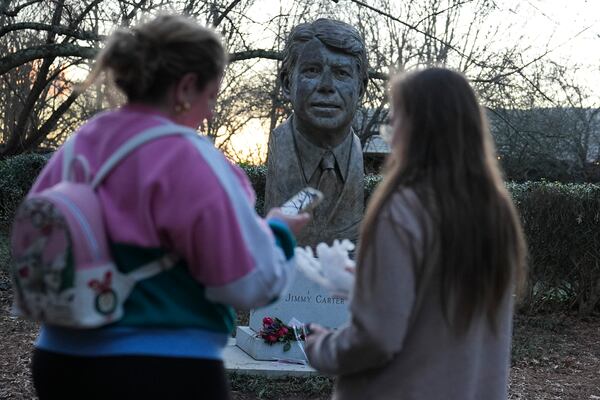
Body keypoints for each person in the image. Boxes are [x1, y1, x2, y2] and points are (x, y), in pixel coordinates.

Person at [28, 14, 308, 400]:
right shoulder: (191, 158)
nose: (209, 112)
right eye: (211, 97)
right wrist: (278, 232)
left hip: (59, 360)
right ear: (187, 86)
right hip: (161, 369)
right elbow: (247, 286)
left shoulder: (78, 145)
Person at [305, 67, 527, 400]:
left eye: (394, 122)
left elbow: (379, 337)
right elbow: (441, 311)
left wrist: (322, 347)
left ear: (419, 129)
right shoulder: (496, 212)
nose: (390, 136)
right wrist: (368, 285)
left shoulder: (403, 208)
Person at [264, 19, 367, 248]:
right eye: (312, 70)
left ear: (360, 89)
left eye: (341, 73)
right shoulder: (280, 147)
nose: (327, 85)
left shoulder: (356, 153)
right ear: (287, 83)